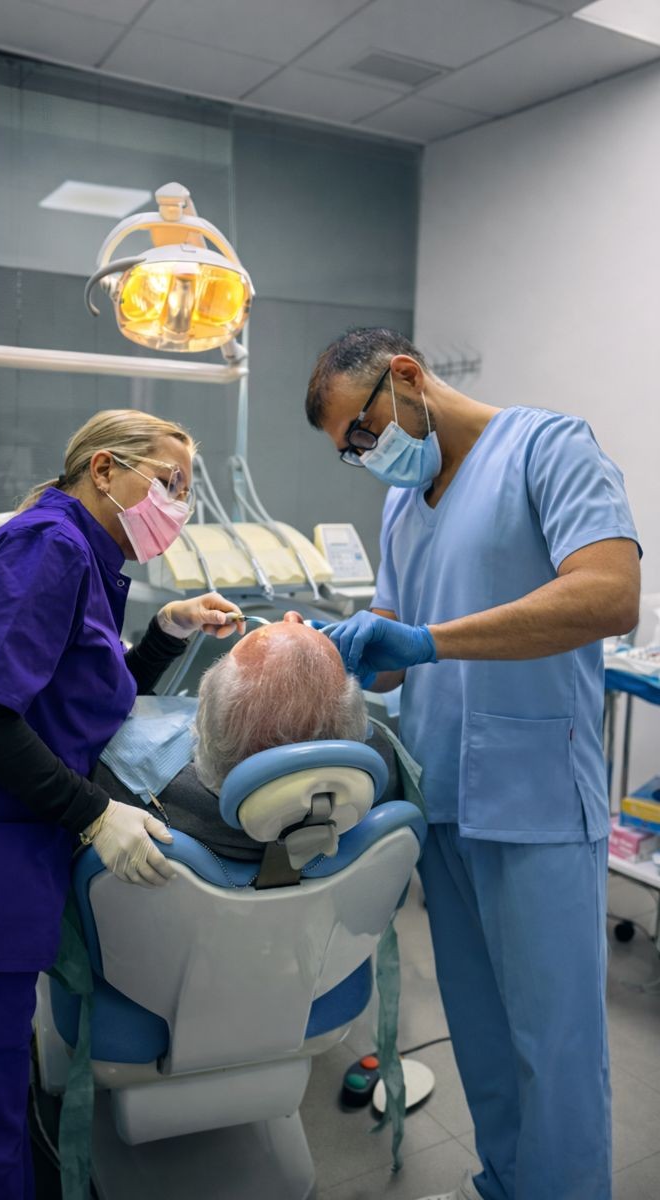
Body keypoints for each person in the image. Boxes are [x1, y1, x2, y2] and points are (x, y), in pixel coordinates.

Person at [0, 408, 245, 1198]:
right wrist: (94, 814)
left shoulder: (86, 560)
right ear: (104, 469)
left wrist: (167, 634)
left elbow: (69, 706)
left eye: (186, 491)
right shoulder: (51, 547)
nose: (176, 503)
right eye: (166, 482)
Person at [304, 328, 641, 1200]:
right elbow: (387, 650)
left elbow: (609, 593)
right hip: (445, 799)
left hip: (534, 801)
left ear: (406, 379)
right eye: (351, 452)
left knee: (554, 1048)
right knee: (484, 1038)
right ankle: (504, 1182)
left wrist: (424, 640)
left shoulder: (549, 447)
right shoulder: (404, 504)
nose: (366, 458)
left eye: (363, 435)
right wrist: (326, 645)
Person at [94, 611, 409, 857]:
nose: (291, 616)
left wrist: (161, 637)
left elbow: (96, 705)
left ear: (205, 719)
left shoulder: (129, 777)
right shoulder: (379, 771)